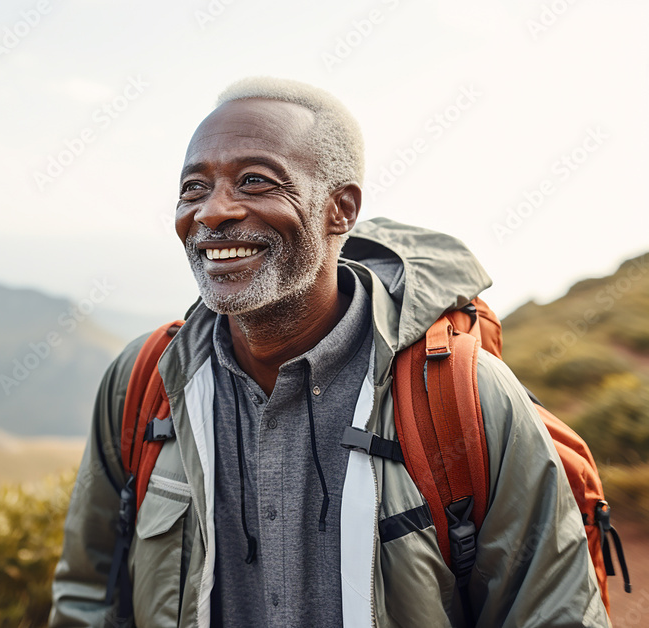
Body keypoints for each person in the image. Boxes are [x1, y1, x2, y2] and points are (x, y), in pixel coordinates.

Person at [49, 77, 608, 627]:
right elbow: (88, 594)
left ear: (340, 209)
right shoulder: (144, 384)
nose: (212, 211)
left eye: (255, 181)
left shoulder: (465, 397)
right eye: (193, 187)